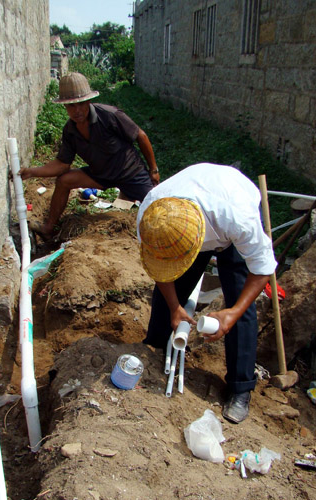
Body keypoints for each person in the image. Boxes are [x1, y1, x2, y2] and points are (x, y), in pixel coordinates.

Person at [136, 163, 277, 423]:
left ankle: (240, 387)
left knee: (240, 302)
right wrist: (175, 307)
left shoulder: (238, 219)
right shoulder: (151, 217)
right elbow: (160, 269)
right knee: (169, 293)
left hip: (228, 218)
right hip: (190, 212)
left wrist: (232, 314)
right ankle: (155, 349)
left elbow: (263, 269)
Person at [19, 72, 160, 238]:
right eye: (71, 106)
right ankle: (49, 228)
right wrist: (31, 172)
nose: (77, 110)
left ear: (88, 101)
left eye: (81, 104)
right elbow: (62, 165)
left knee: (157, 210)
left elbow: (141, 136)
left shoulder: (109, 115)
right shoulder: (70, 131)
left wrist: (153, 169)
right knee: (64, 181)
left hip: (130, 173)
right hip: (100, 175)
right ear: (64, 106)